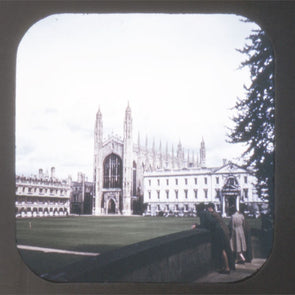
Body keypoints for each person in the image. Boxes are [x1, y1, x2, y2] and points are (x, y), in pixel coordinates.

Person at [192, 203, 234, 274]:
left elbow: (204, 225)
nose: (196, 211)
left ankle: (227, 268)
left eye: (196, 210)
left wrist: (196, 226)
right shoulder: (207, 213)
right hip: (220, 231)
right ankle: (225, 267)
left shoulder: (203, 214)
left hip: (217, 233)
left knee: (221, 250)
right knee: (222, 249)